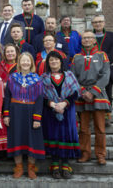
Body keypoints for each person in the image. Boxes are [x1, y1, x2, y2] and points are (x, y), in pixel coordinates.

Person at [71, 30, 111, 165]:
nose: (87, 40)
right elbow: (72, 76)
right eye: (84, 38)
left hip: (98, 94)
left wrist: (93, 91)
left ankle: (101, 155)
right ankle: (85, 153)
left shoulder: (102, 55)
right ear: (81, 41)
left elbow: (106, 75)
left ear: (94, 40)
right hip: (82, 95)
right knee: (83, 128)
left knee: (100, 127)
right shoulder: (76, 57)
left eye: (89, 38)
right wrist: (82, 91)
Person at [4, 52, 44, 179]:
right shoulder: (12, 78)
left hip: (31, 111)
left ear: (31, 63)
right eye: (23, 61)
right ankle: (19, 167)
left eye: (28, 61)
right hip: (15, 111)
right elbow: (7, 97)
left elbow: (39, 99)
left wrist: (37, 117)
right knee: (17, 138)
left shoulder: (37, 80)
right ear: (19, 63)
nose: (25, 63)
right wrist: (6, 115)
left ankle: (31, 168)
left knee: (32, 139)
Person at [41, 51, 81, 179]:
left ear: (61, 61)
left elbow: (76, 92)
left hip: (67, 111)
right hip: (50, 112)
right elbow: (40, 95)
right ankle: (54, 165)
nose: (54, 62)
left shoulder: (69, 75)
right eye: (51, 60)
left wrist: (64, 104)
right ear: (48, 63)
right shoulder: (43, 77)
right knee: (53, 136)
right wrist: (53, 105)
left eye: (56, 60)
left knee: (65, 136)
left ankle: (65, 165)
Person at [91, 15, 113, 125]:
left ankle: (107, 116)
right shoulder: (89, 36)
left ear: (104, 23)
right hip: (92, 69)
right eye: (95, 22)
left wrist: (103, 61)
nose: (98, 24)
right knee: (93, 91)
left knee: (107, 92)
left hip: (107, 68)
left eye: (100, 22)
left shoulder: (111, 36)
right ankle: (93, 114)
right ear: (92, 24)